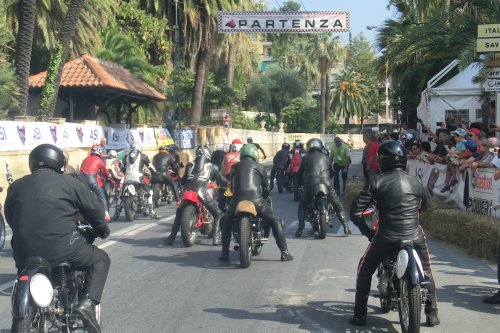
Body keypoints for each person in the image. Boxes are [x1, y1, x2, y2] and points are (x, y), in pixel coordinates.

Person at [5, 143, 110, 333]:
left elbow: (10, 217)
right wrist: (102, 229)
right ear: (58, 163)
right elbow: (94, 211)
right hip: (65, 248)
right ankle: (87, 303)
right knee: (101, 259)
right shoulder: (70, 182)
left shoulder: (16, 186)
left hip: (24, 253)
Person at [349, 140, 440, 328]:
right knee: (427, 271)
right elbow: (427, 206)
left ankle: (359, 315)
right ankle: (432, 315)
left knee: (364, 270)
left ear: (382, 161)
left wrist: (368, 232)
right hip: (415, 235)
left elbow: (356, 213)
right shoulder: (415, 181)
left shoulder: (377, 182)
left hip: (386, 236)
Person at [218, 143, 293, 262]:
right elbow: (266, 188)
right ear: (255, 154)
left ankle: (225, 254)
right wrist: (266, 195)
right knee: (276, 220)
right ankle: (284, 252)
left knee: (225, 221)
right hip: (256, 200)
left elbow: (231, 188)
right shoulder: (260, 167)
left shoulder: (234, 167)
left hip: (237, 200)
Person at [164, 145, 226, 245]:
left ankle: (171, 237)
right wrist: (229, 184)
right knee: (218, 214)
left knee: (179, 213)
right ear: (207, 155)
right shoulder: (211, 167)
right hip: (201, 192)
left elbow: (183, 181)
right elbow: (221, 181)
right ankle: (216, 239)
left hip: (187, 191)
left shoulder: (189, 165)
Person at [296, 138, 351, 237]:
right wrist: (328, 179)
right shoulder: (325, 157)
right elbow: (332, 171)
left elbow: (300, 173)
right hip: (326, 182)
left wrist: (300, 184)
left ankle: (300, 228)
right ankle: (346, 226)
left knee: (303, 205)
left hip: (311, 182)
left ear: (309, 147)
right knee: (336, 203)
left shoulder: (305, 158)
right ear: (320, 146)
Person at [114, 143, 159, 220]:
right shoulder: (143, 156)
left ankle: (117, 212)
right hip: (139, 178)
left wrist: (126, 173)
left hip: (128, 178)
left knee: (121, 195)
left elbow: (122, 168)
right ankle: (152, 211)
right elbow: (150, 166)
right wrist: (155, 172)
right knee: (149, 193)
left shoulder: (126, 157)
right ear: (139, 149)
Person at [80, 146, 111, 220]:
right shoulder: (99, 160)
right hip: (91, 180)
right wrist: (108, 178)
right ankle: (106, 214)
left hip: (80, 180)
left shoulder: (85, 159)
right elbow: (105, 173)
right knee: (101, 197)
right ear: (99, 152)